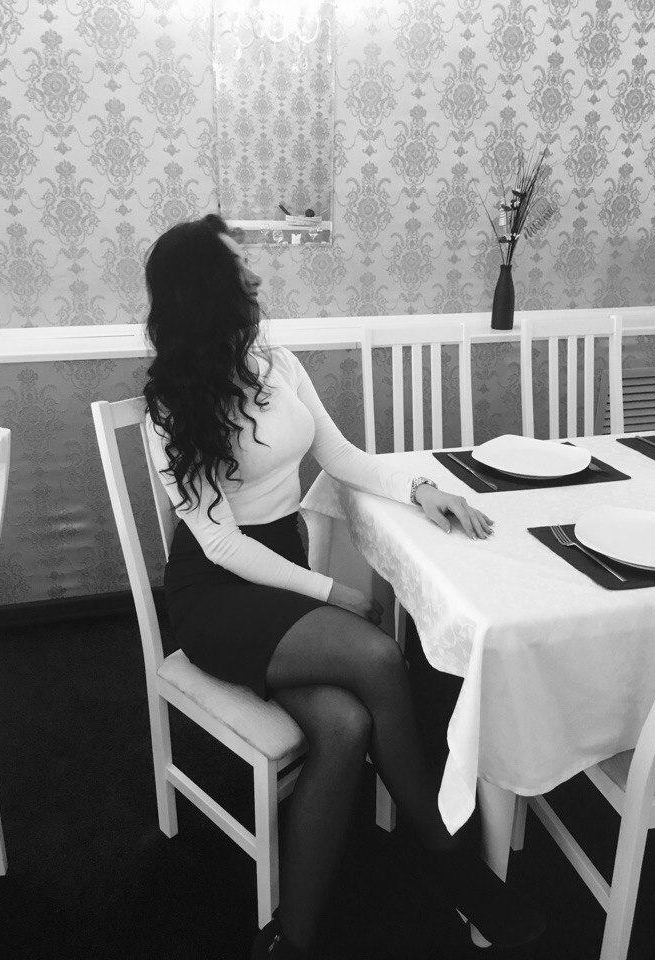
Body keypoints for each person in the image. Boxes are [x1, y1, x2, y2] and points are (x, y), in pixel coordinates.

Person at [142, 214, 544, 959]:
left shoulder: (277, 364)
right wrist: (330, 592)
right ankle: (447, 856)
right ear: (205, 295)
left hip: (281, 566)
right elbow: (220, 543)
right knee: (379, 656)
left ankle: (289, 939)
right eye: (237, 270)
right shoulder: (169, 406)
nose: (254, 278)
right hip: (217, 592)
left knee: (346, 726)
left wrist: (422, 489)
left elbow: (344, 456)